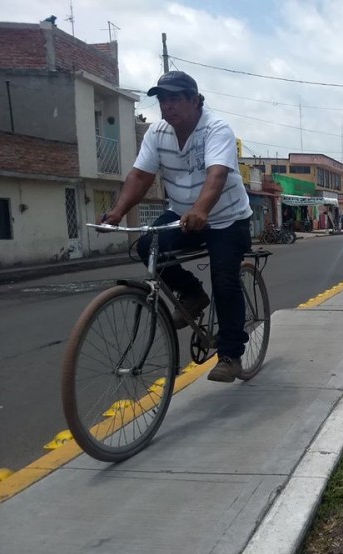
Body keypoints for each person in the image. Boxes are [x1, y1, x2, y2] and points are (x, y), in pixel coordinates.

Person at [101, 71, 253, 383]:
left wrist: (201, 209)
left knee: (224, 280)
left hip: (227, 218)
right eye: (162, 100)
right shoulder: (157, 133)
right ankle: (192, 294)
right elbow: (141, 177)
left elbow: (217, 175)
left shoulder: (215, 129)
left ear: (195, 101)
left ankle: (230, 355)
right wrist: (116, 213)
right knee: (147, 246)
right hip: (183, 213)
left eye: (175, 99)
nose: (167, 106)